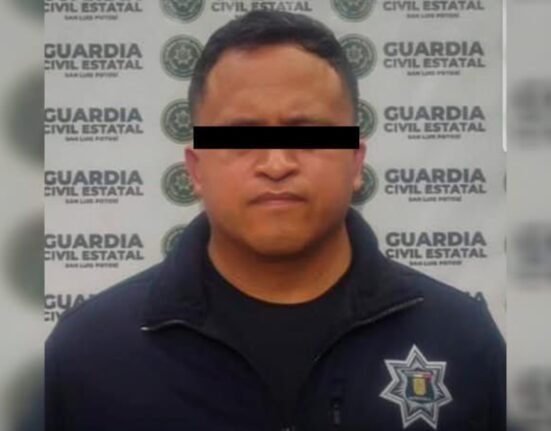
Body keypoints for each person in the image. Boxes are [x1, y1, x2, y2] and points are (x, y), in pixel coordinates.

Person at [46, 10, 505, 431]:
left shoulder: (462, 340)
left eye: (309, 134)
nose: (277, 163)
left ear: (355, 160)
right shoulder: (89, 353)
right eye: (241, 137)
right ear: (196, 169)